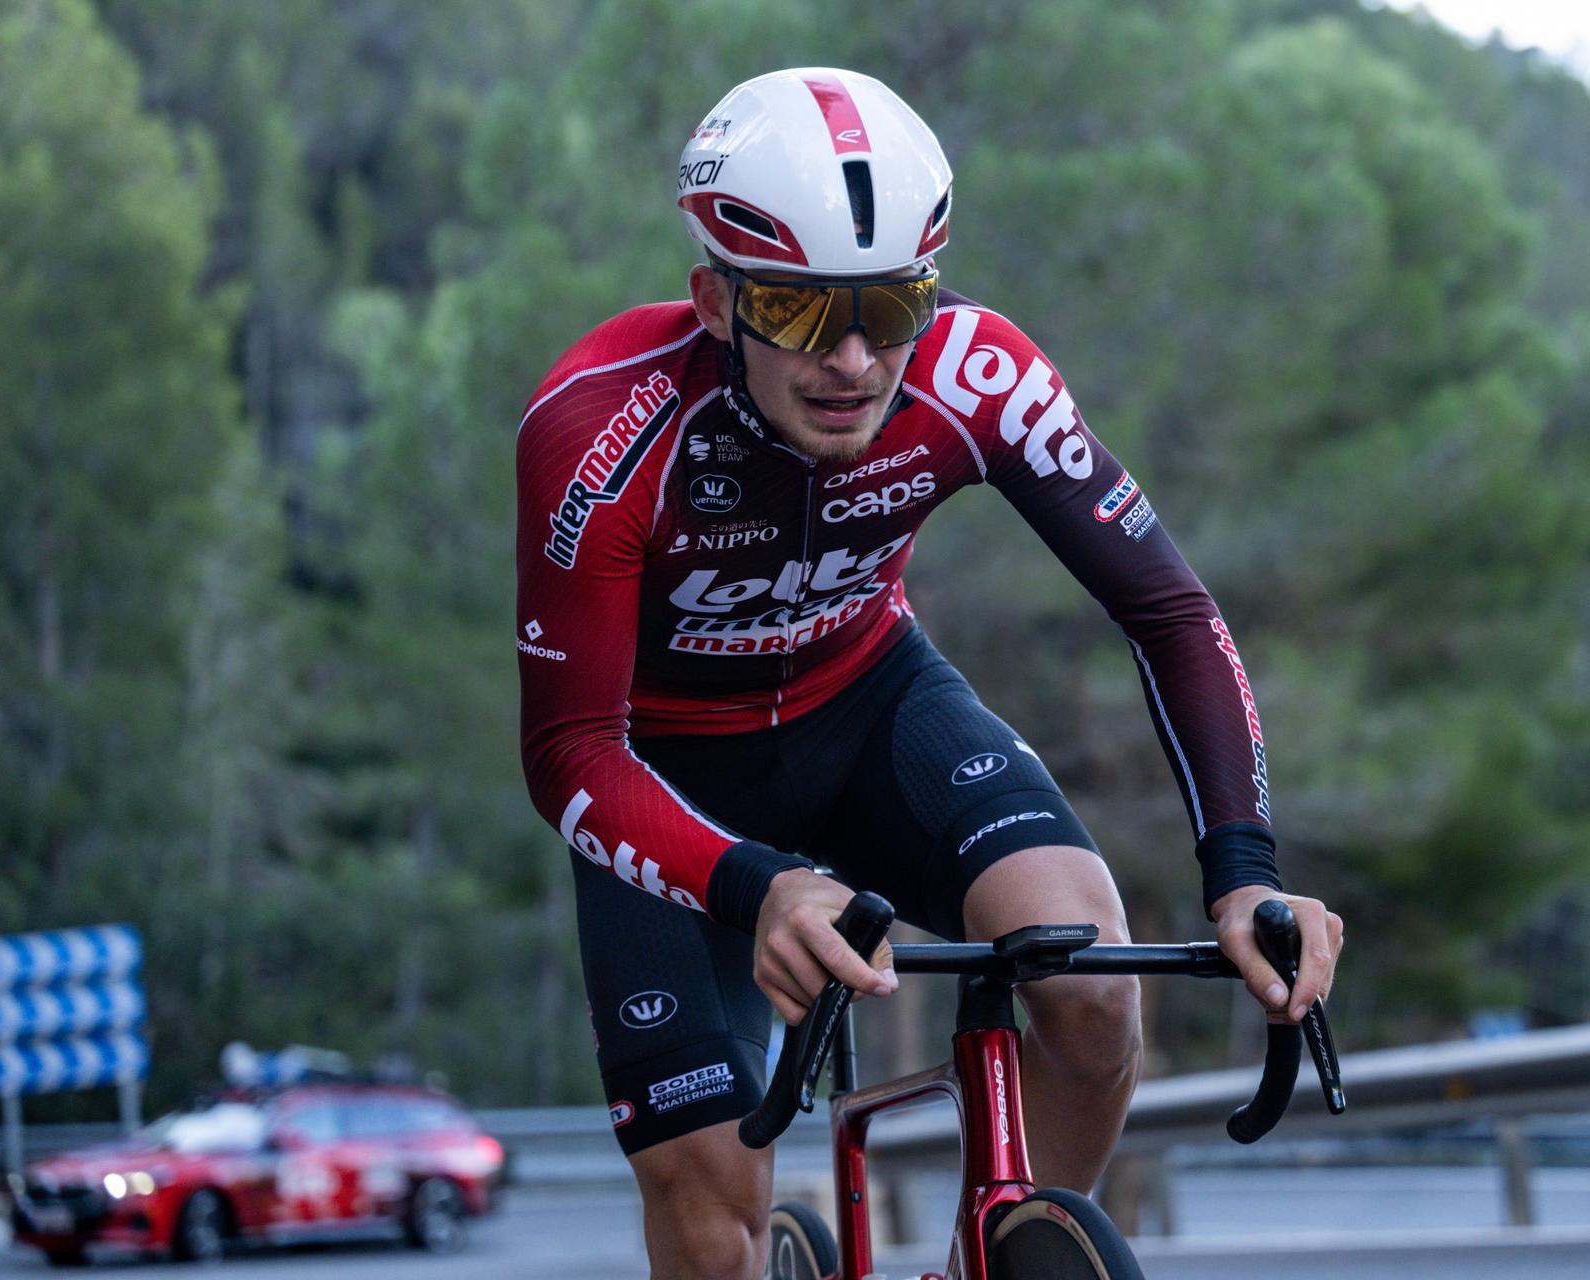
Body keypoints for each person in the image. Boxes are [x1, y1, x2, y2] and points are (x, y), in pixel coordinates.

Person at [516, 66, 1343, 1280]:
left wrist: (1243, 870)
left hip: (870, 705)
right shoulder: (601, 431)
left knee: (1091, 987)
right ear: (713, 299)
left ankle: (978, 1262)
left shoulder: (979, 376)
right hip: (667, 779)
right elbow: (569, 754)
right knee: (714, 1210)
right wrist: (755, 887)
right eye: (801, 313)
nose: (854, 358)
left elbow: (1168, 607)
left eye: (894, 305)